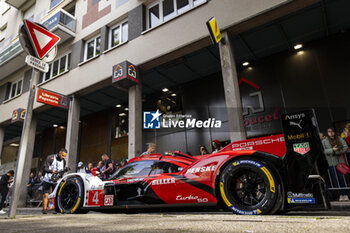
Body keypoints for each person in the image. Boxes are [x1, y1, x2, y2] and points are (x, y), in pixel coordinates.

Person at [322, 128, 349, 201]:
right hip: (331, 163)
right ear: (327, 133)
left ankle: (345, 194)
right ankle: (341, 195)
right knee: (335, 180)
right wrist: (332, 150)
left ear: (334, 132)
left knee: (342, 178)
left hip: (340, 162)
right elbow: (323, 151)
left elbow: (345, 147)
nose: (331, 133)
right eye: (329, 132)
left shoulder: (339, 138)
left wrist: (337, 152)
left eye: (332, 131)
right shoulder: (324, 141)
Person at [42, 148, 68, 214]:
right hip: (48, 179)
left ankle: (54, 209)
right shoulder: (50, 158)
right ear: (59, 153)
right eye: (62, 155)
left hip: (56, 180)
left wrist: (61, 177)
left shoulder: (64, 161)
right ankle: (44, 209)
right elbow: (45, 168)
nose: (63, 157)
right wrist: (52, 171)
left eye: (64, 156)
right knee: (46, 194)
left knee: (55, 195)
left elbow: (61, 171)